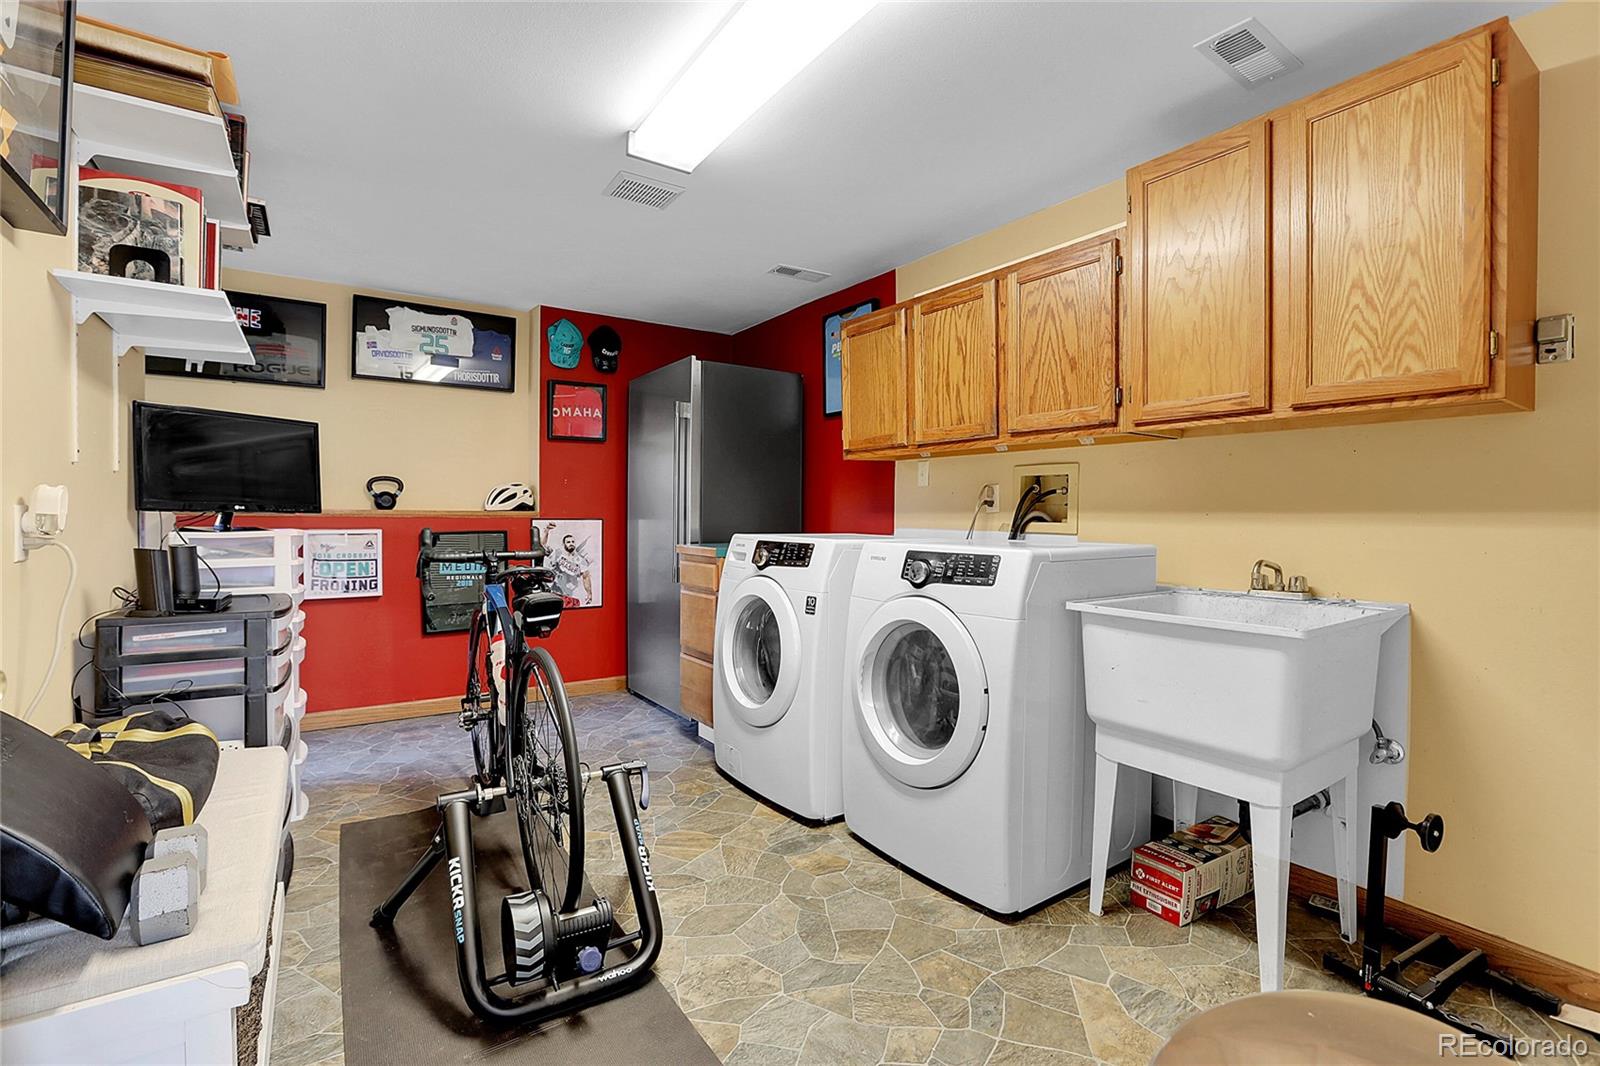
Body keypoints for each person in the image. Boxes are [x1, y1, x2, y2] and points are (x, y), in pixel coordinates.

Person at [544, 524, 594, 606]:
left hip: (571, 596)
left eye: (573, 542)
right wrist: (546, 531)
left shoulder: (581, 560)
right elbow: (543, 546)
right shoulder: (557, 554)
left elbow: (586, 577)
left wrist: (589, 594)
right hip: (556, 593)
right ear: (564, 544)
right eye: (568, 542)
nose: (571, 543)